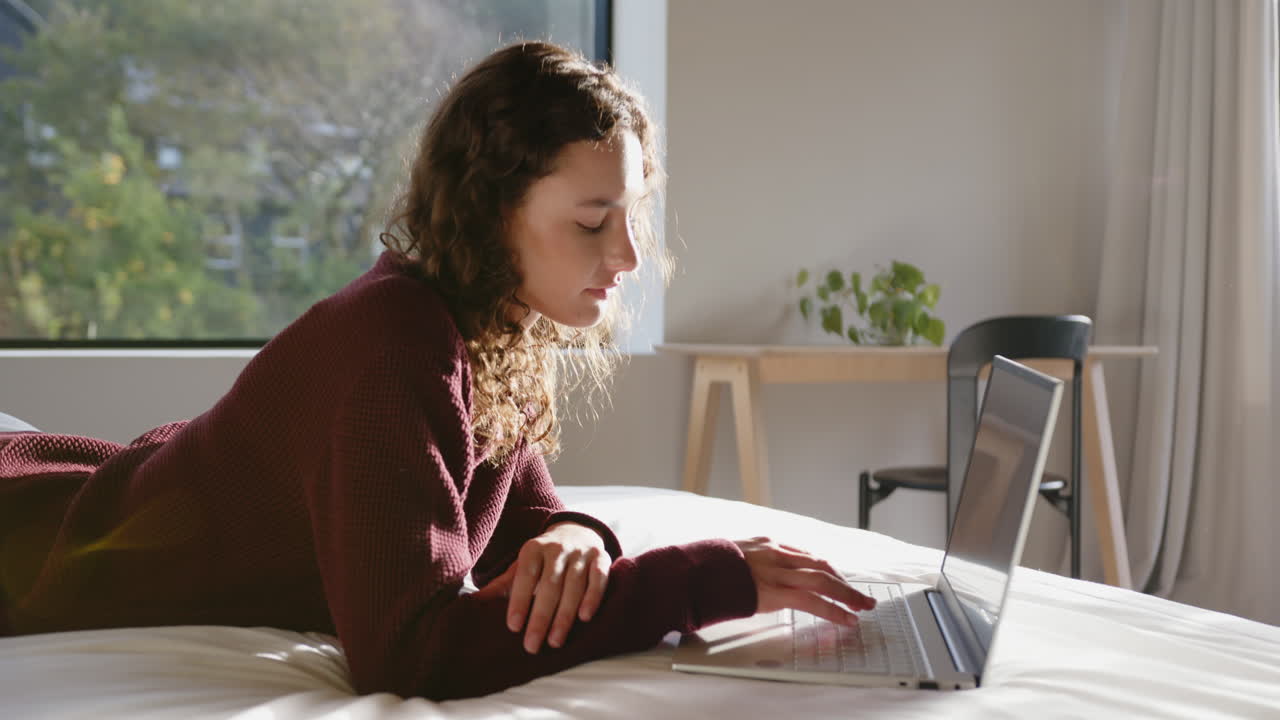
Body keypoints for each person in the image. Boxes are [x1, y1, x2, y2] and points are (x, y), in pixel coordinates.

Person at [0, 41, 872, 700]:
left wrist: (578, 536)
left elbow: (519, 515)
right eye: (593, 220)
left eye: (633, 212)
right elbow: (413, 650)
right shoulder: (395, 351)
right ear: (494, 215)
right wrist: (706, 578)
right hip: (32, 555)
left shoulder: (481, 323)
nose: (631, 254)